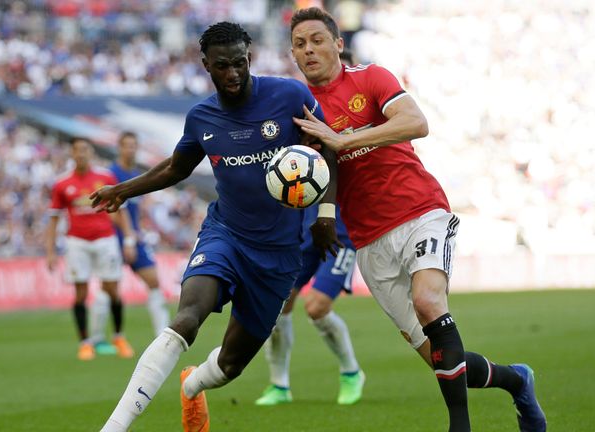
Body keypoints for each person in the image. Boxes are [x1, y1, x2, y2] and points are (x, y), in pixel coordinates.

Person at [290, 7, 546, 432]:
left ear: (337, 43)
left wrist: (344, 137)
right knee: (443, 359)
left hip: (419, 212)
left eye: (317, 39)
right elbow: (319, 171)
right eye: (299, 44)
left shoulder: (371, 77)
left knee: (429, 301)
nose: (309, 49)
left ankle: (459, 426)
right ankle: (517, 378)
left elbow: (415, 122)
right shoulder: (298, 107)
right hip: (369, 241)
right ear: (293, 56)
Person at [90, 21, 332, 432]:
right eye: (222, 66)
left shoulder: (289, 96)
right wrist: (124, 190)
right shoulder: (202, 117)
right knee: (186, 318)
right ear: (206, 66)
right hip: (226, 236)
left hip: (279, 253)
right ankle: (114, 427)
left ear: (249, 58)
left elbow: (329, 148)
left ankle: (192, 385)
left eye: (240, 63)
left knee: (231, 365)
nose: (233, 73)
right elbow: (175, 168)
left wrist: (325, 215)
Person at [255, 202, 363, 406]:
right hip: (304, 237)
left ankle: (351, 373)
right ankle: (279, 386)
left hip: (339, 240)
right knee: (278, 306)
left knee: (316, 307)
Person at [46, 136, 137, 361]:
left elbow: (120, 210)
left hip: (105, 240)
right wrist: (50, 251)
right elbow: (54, 219)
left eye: (85, 150)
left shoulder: (105, 177)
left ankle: (118, 336)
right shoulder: (62, 184)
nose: (81, 154)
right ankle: (85, 343)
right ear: (72, 154)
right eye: (77, 150)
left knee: (113, 289)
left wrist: (128, 239)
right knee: (81, 293)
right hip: (77, 242)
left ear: (90, 153)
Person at [90, 132, 171, 355]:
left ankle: (163, 336)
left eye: (134, 146)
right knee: (110, 288)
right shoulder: (110, 175)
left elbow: (135, 209)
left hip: (133, 236)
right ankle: (96, 338)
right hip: (114, 238)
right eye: (127, 146)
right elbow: (110, 211)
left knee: (153, 280)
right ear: (119, 148)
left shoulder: (135, 175)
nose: (131, 150)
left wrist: (137, 232)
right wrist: (127, 238)